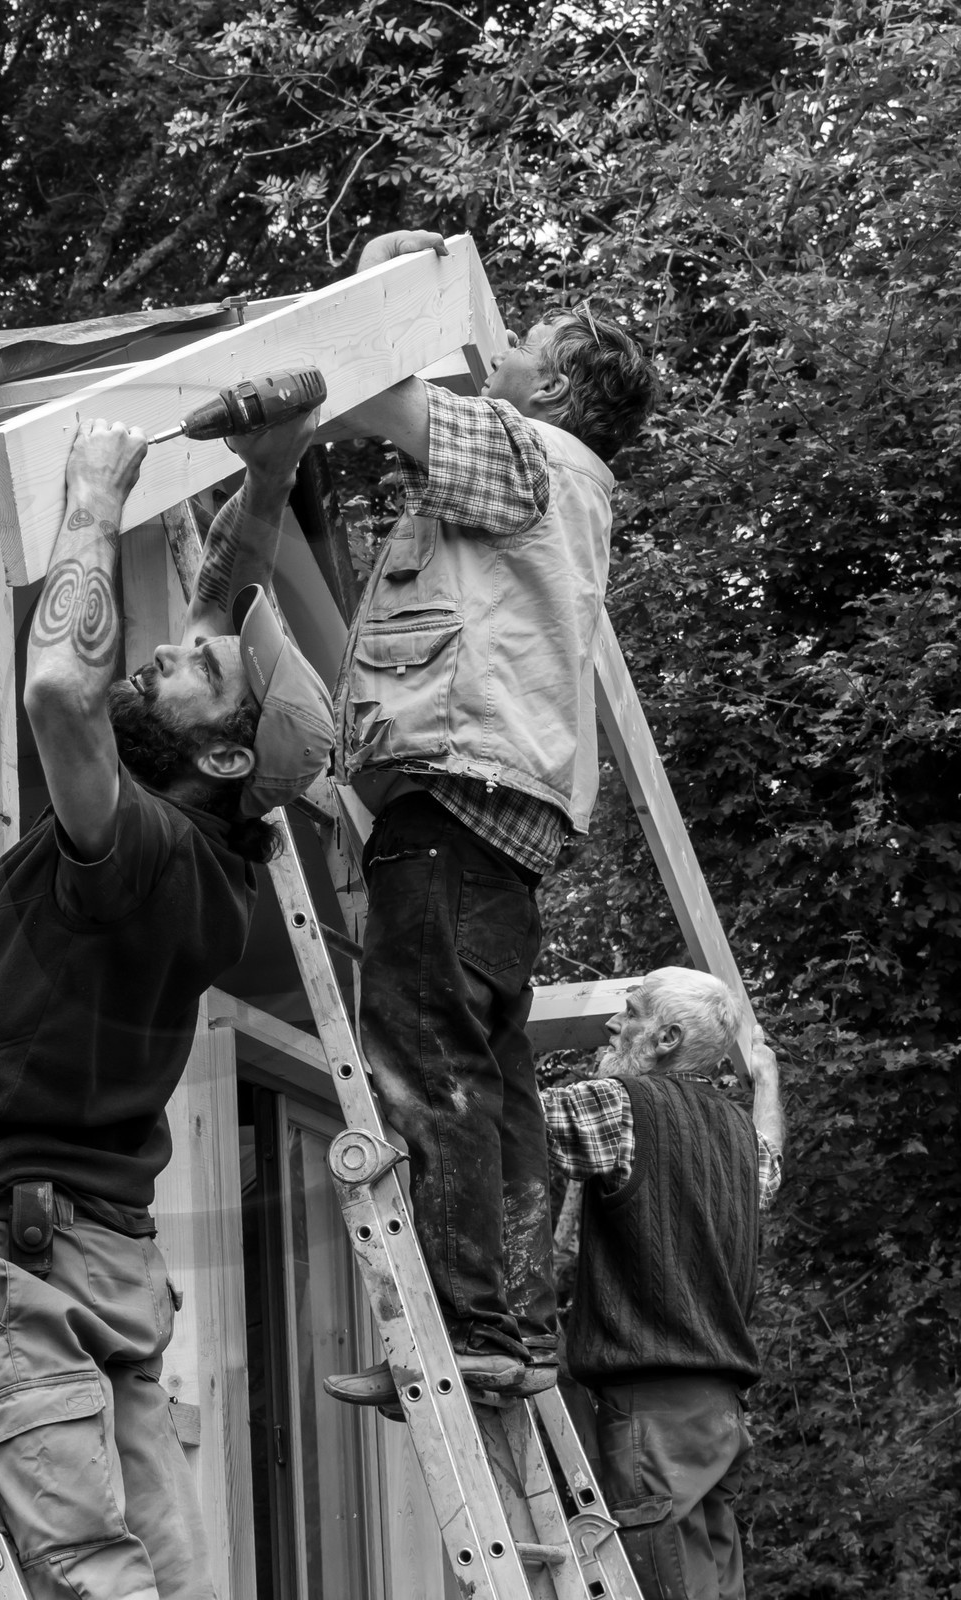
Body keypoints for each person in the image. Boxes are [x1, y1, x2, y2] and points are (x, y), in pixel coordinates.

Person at [0, 411, 335, 1600]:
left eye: (199, 671)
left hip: (24, 1262)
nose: (169, 652)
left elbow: (58, 688)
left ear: (227, 758)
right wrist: (273, 469)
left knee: (98, 1581)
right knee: (169, 1586)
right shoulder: (211, 865)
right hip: (104, 1254)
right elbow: (216, 606)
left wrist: (92, 494)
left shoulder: (143, 849)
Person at [322, 229, 661, 1410]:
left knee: (426, 1061)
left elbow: (365, 389)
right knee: (497, 1080)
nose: (498, 349)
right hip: (501, 823)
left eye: (522, 345)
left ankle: (464, 1328)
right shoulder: (565, 484)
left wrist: (378, 274)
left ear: (553, 386)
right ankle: (512, 1327)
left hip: (454, 801)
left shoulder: (524, 455)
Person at [543, 968, 785, 1600]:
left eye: (630, 1011)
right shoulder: (739, 1139)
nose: (612, 1023)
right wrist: (766, 1084)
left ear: (667, 1037)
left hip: (655, 1419)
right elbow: (772, 1162)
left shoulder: (623, 1103)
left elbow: (504, 1122)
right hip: (719, 1418)